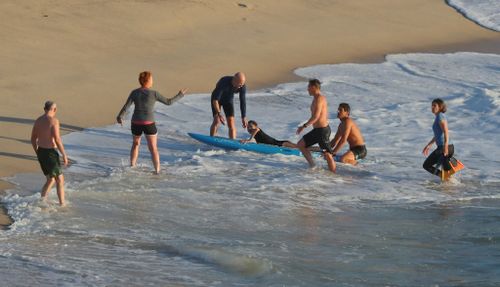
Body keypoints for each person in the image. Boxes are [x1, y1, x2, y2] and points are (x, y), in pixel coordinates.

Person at [117, 71, 187, 174]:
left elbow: (126, 106)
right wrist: (180, 95)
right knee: (153, 148)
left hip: (136, 123)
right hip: (148, 123)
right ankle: (157, 171)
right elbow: (169, 102)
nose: (152, 80)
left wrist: (120, 117)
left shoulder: (134, 92)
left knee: (136, 144)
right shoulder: (154, 93)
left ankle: (132, 166)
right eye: (151, 79)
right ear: (148, 81)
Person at [30, 101, 69, 206]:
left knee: (50, 179)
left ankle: (42, 201)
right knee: (60, 179)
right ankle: (62, 204)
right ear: (54, 110)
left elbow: (33, 138)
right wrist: (64, 154)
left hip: (41, 152)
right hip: (50, 153)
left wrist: (37, 152)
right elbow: (57, 139)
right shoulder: (54, 121)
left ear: (44, 108)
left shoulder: (38, 121)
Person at [296, 79, 336, 173]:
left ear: (314, 87)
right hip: (317, 131)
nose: (307, 89)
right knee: (301, 145)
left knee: (328, 154)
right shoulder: (315, 98)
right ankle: (313, 166)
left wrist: (304, 126)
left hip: (322, 131)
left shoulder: (320, 99)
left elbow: (316, 117)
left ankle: (334, 175)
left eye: (308, 87)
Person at [422, 98, 454, 178]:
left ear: (440, 107)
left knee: (426, 165)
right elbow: (438, 134)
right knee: (447, 170)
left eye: (434, 105)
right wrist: (429, 145)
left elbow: (446, 131)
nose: (432, 107)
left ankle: (444, 177)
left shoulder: (440, 116)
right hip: (448, 147)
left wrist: (445, 147)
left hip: (444, 148)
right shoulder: (439, 117)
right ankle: (449, 182)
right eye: (432, 106)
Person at [210, 72, 248, 139]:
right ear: (234, 80)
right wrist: (219, 113)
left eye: (242, 84)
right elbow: (215, 100)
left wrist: (243, 117)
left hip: (228, 100)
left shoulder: (242, 86)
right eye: (240, 84)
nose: (241, 86)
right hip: (216, 99)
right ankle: (211, 139)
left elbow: (242, 101)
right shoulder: (224, 82)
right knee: (217, 120)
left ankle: (232, 143)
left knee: (231, 123)